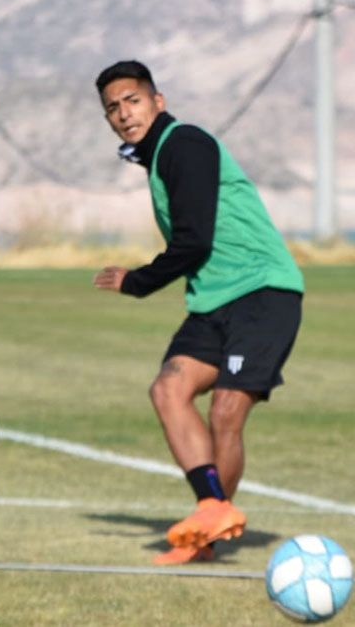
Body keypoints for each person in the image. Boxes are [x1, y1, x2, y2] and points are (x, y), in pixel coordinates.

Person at [92, 61, 305, 565]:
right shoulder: (158, 156)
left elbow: (193, 240)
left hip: (262, 292)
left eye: (133, 101)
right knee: (168, 389)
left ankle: (206, 533)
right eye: (113, 108)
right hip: (213, 300)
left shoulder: (183, 144)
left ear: (157, 101)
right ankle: (211, 509)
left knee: (227, 410)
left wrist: (137, 281)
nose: (124, 115)